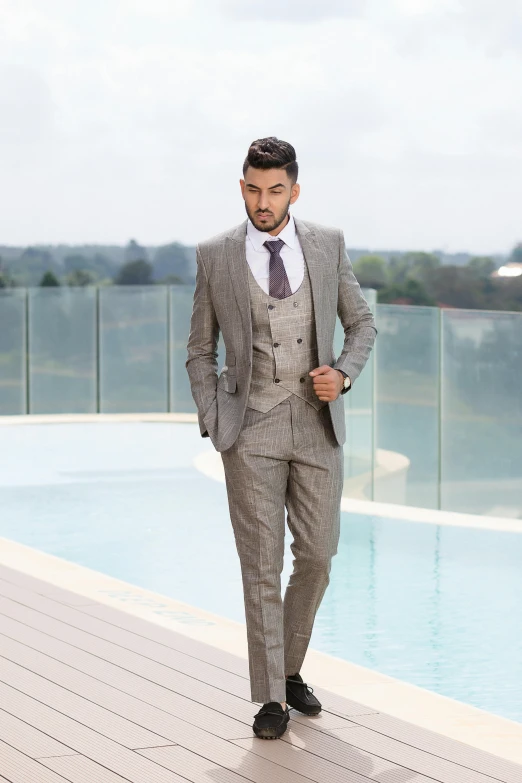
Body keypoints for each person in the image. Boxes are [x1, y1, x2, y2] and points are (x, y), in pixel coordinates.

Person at [186, 137, 377, 739]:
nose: (261, 202)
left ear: (294, 190)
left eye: (273, 191)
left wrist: (342, 373)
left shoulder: (327, 244)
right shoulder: (214, 255)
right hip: (251, 428)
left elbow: (363, 323)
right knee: (260, 566)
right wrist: (217, 420)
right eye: (251, 188)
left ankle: (288, 667)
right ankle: (270, 697)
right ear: (241, 186)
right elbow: (199, 349)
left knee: (318, 556)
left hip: (317, 425)